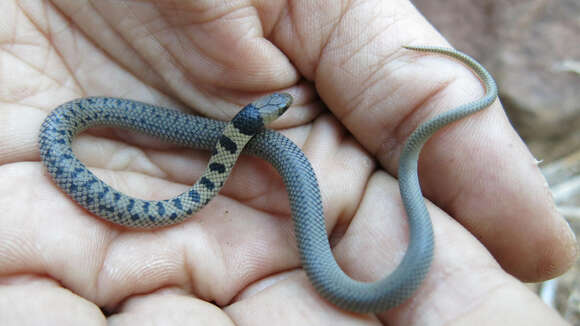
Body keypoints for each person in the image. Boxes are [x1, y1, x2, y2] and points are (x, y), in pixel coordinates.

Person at [0, 1, 575, 324]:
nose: (279, 110)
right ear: (252, 125)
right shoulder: (214, 168)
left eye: (270, 114)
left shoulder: (257, 141)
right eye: (270, 114)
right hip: (65, 127)